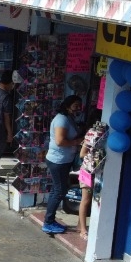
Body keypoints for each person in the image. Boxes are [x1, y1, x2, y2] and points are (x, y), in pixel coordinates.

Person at [43, 95, 84, 235]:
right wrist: (77, 142)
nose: (78, 108)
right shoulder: (61, 120)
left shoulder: (68, 118)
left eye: (80, 105)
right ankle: (48, 222)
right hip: (58, 161)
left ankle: (50, 220)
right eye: (76, 105)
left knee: (57, 190)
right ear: (67, 106)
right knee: (59, 191)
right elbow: (60, 141)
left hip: (63, 160)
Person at [77, 121, 108, 237]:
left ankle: (80, 225)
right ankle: (83, 229)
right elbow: (82, 154)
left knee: (91, 200)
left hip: (98, 173)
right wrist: (94, 157)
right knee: (86, 199)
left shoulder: (106, 138)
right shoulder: (90, 136)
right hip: (87, 171)